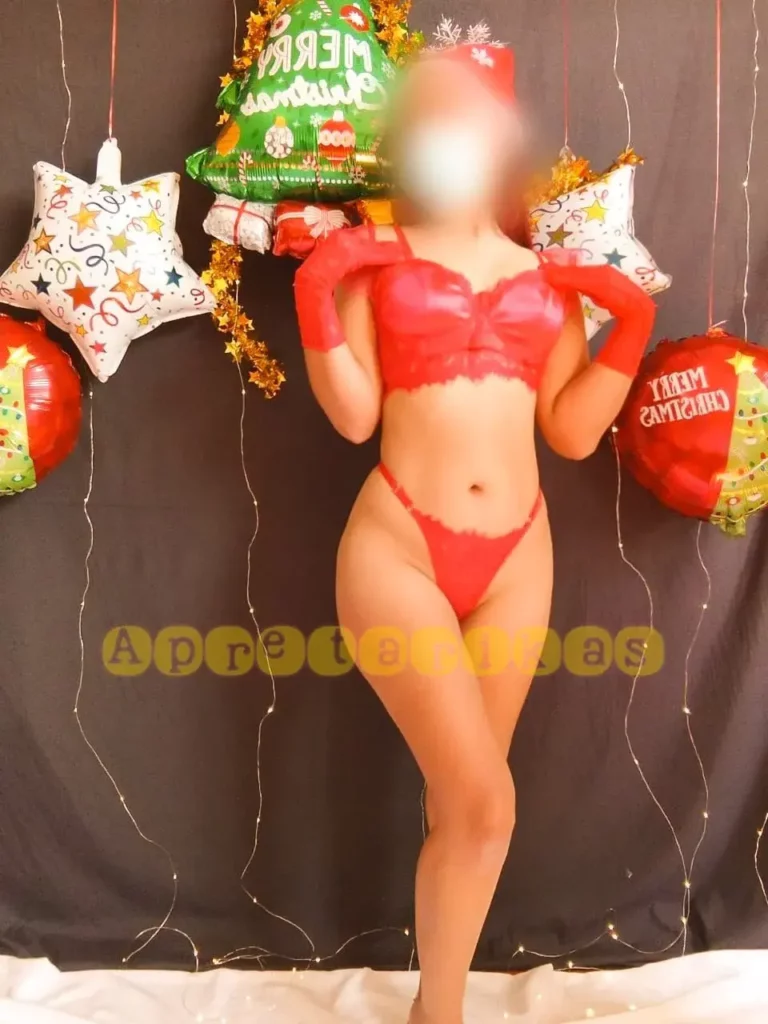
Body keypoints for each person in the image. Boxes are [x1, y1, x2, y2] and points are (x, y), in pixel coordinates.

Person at [294, 41, 655, 1024]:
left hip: (517, 559)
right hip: (400, 547)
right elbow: (354, 418)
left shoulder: (548, 278)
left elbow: (571, 432)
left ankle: (435, 1006)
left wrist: (629, 328)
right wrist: (316, 293)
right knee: (487, 804)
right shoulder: (378, 259)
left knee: (466, 807)